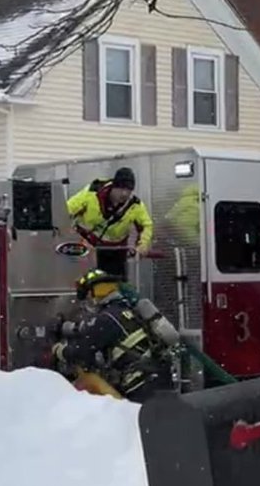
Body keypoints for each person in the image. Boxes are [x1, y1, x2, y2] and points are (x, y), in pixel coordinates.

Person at [51, 270, 174, 403]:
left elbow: (80, 352)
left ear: (94, 294)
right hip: (160, 377)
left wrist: (59, 350)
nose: (86, 302)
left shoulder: (105, 319)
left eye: (86, 296)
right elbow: (92, 330)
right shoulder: (126, 309)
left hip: (140, 386)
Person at [66, 166, 154, 278]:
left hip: (115, 254)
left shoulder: (135, 205)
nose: (125, 194)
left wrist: (143, 245)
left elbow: (147, 226)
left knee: (114, 288)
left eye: (129, 190)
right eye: (121, 189)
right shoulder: (92, 193)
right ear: (113, 186)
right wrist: (75, 239)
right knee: (84, 285)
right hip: (85, 250)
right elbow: (65, 212)